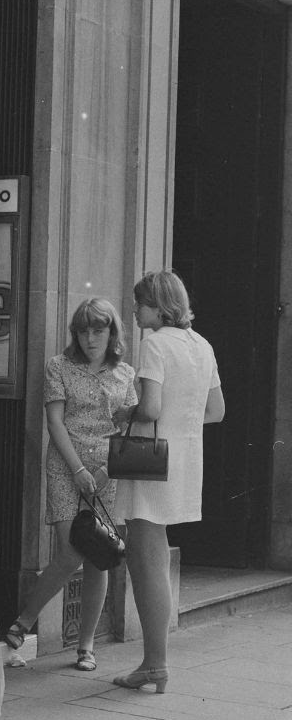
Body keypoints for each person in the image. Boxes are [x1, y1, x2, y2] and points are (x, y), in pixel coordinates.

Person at [3, 298, 137, 671]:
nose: (90, 338)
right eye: (83, 330)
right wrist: (78, 469)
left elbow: (127, 431)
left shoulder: (125, 375)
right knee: (73, 549)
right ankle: (24, 621)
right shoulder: (58, 367)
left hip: (107, 471)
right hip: (66, 466)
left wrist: (105, 471)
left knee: (100, 557)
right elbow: (55, 422)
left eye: (98, 330)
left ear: (112, 333)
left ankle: (87, 645)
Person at [112, 270, 224, 693]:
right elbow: (216, 411)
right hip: (183, 462)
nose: (136, 309)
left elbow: (151, 408)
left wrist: (127, 412)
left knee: (147, 563)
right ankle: (152, 662)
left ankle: (154, 663)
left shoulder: (155, 343)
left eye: (140, 303)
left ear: (159, 306)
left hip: (149, 463)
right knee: (153, 558)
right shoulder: (203, 345)